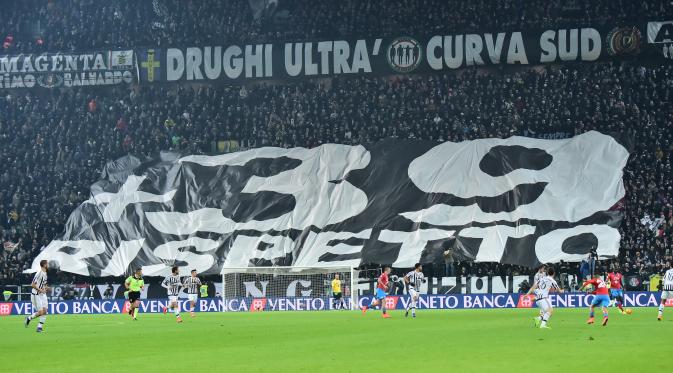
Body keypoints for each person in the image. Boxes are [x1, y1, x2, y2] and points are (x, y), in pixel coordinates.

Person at [25, 260, 50, 332]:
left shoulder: (45, 273)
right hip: (36, 294)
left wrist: (47, 288)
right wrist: (41, 290)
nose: (48, 265)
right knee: (41, 312)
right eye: (47, 264)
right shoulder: (39, 273)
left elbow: (44, 284)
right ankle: (29, 318)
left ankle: (39, 327)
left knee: (45, 311)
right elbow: (32, 284)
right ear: (45, 265)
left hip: (42, 294)